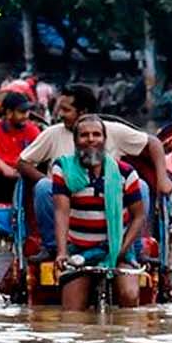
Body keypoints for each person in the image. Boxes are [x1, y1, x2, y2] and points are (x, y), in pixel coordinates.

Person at [18, 83, 170, 255]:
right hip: (68, 201)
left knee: (140, 186)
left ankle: (132, 248)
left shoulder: (111, 131)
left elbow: (153, 143)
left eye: (66, 110)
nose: (60, 115)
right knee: (43, 187)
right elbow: (23, 162)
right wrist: (49, 181)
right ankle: (53, 248)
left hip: (109, 200)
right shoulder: (54, 135)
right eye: (84, 136)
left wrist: (162, 178)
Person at [51, 115, 148, 311]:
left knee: (130, 296)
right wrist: (61, 252)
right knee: (72, 314)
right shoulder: (63, 168)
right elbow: (61, 212)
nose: (91, 139)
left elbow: (138, 216)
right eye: (84, 135)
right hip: (79, 250)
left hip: (119, 250)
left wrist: (120, 249)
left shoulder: (126, 172)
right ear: (76, 141)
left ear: (104, 139)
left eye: (96, 134)